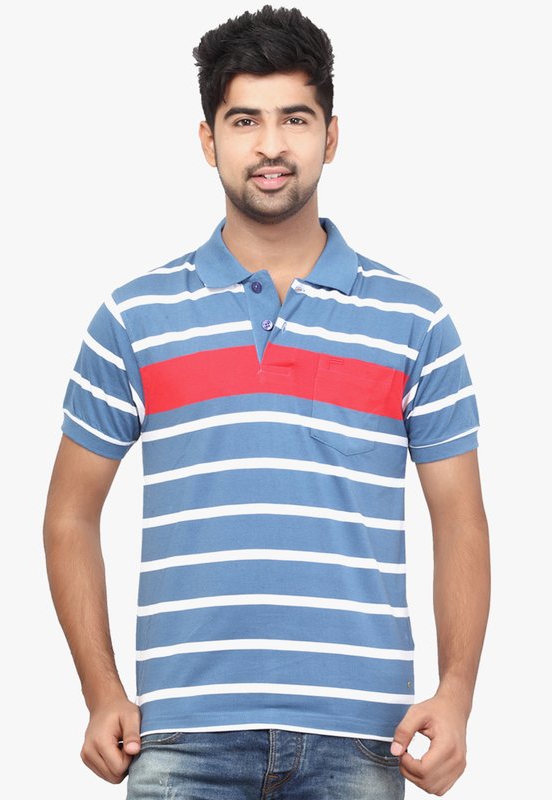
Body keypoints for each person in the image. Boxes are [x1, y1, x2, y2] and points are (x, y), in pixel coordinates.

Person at [43, 5, 490, 798]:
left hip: (361, 739)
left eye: (295, 118)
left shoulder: (415, 320)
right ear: (208, 140)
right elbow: (69, 515)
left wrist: (455, 693)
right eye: (244, 120)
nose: (271, 145)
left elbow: (459, 520)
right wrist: (101, 690)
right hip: (181, 738)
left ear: (331, 135)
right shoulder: (132, 317)